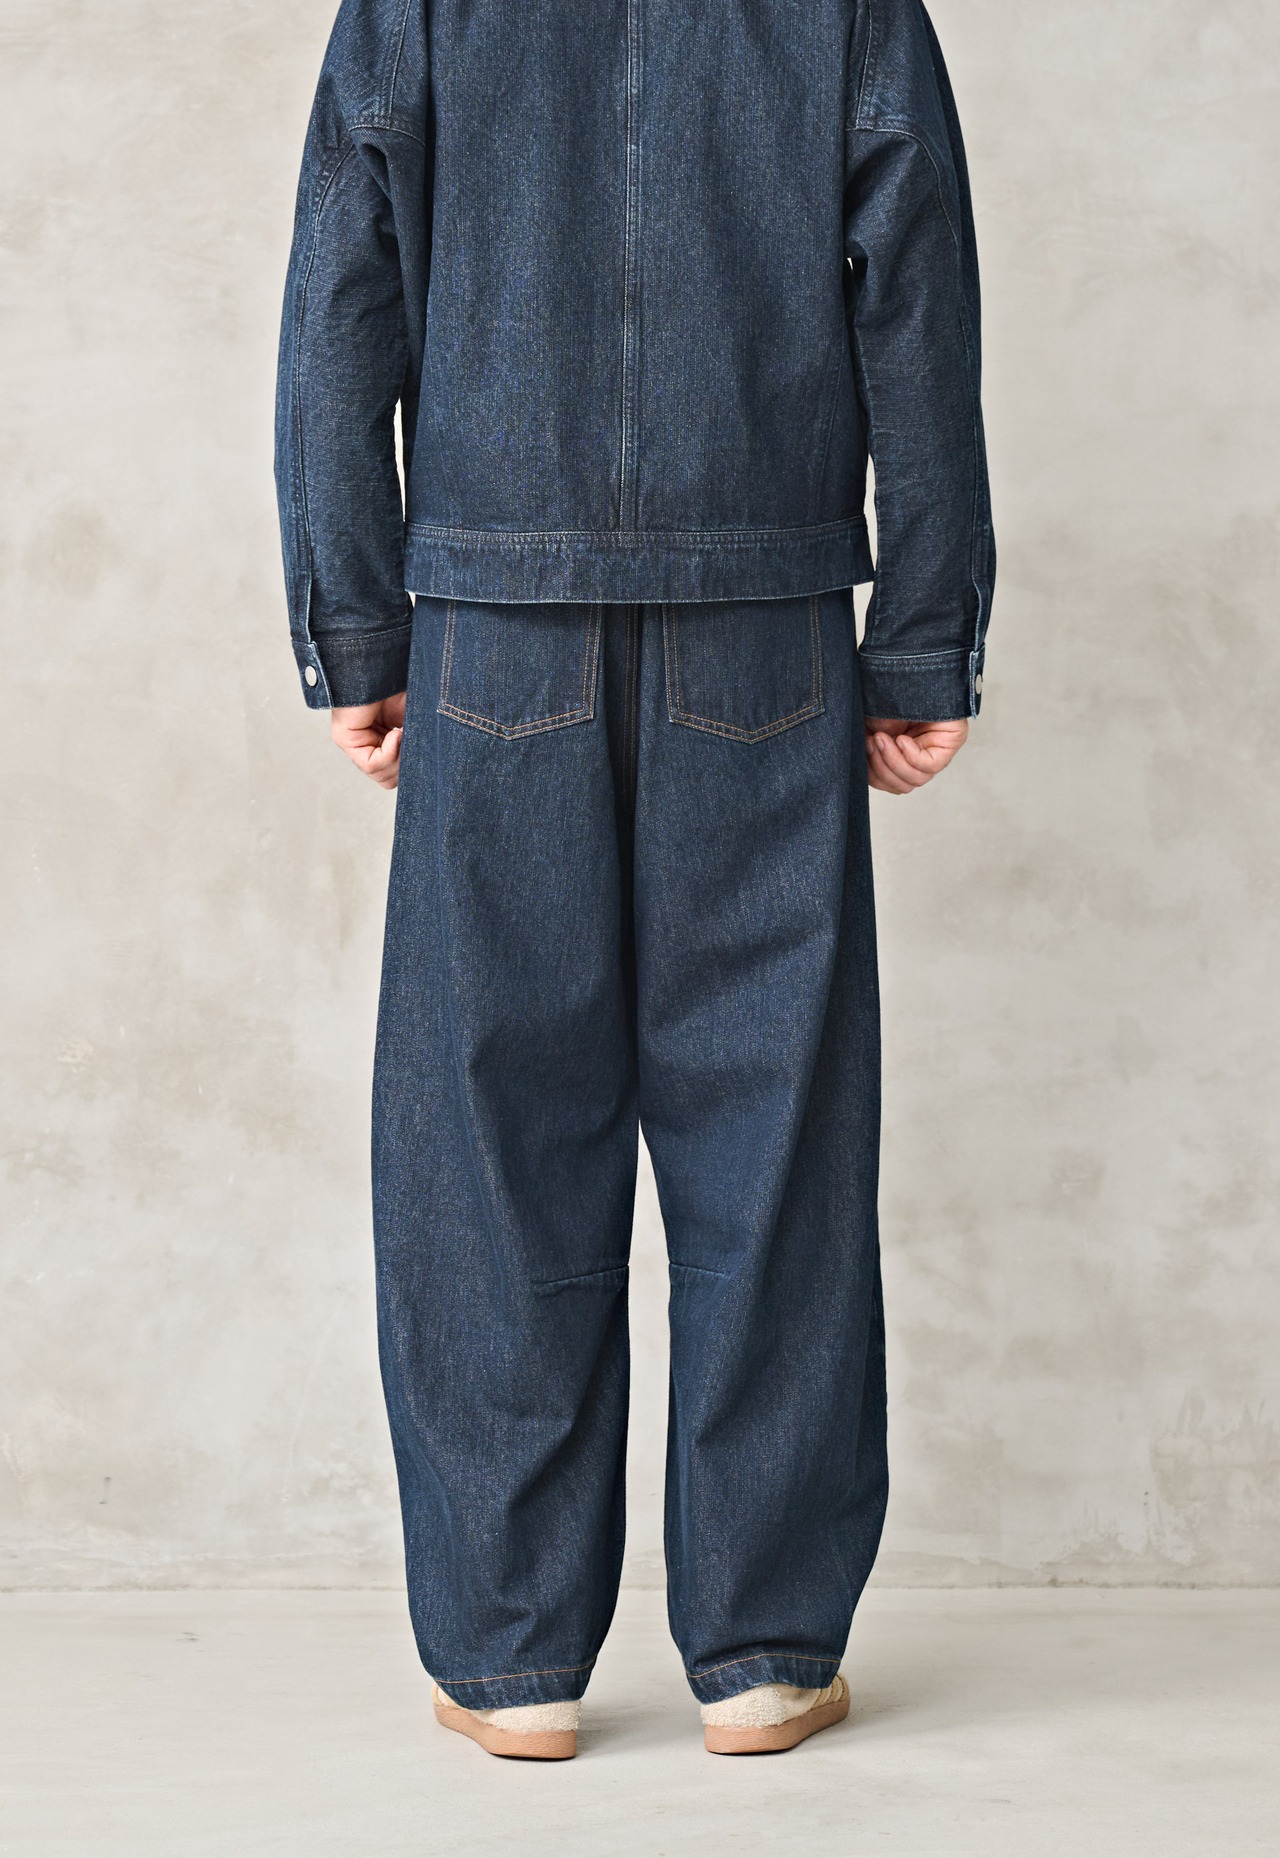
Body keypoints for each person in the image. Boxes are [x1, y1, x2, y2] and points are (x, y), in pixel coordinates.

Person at [275, 0, 992, 1761]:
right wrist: (922, 637)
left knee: (488, 1136)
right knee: (776, 1134)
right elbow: (918, 307)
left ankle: (511, 1657)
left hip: (492, 630)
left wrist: (356, 624)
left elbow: (341, 304)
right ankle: (764, 1655)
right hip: (768, 625)